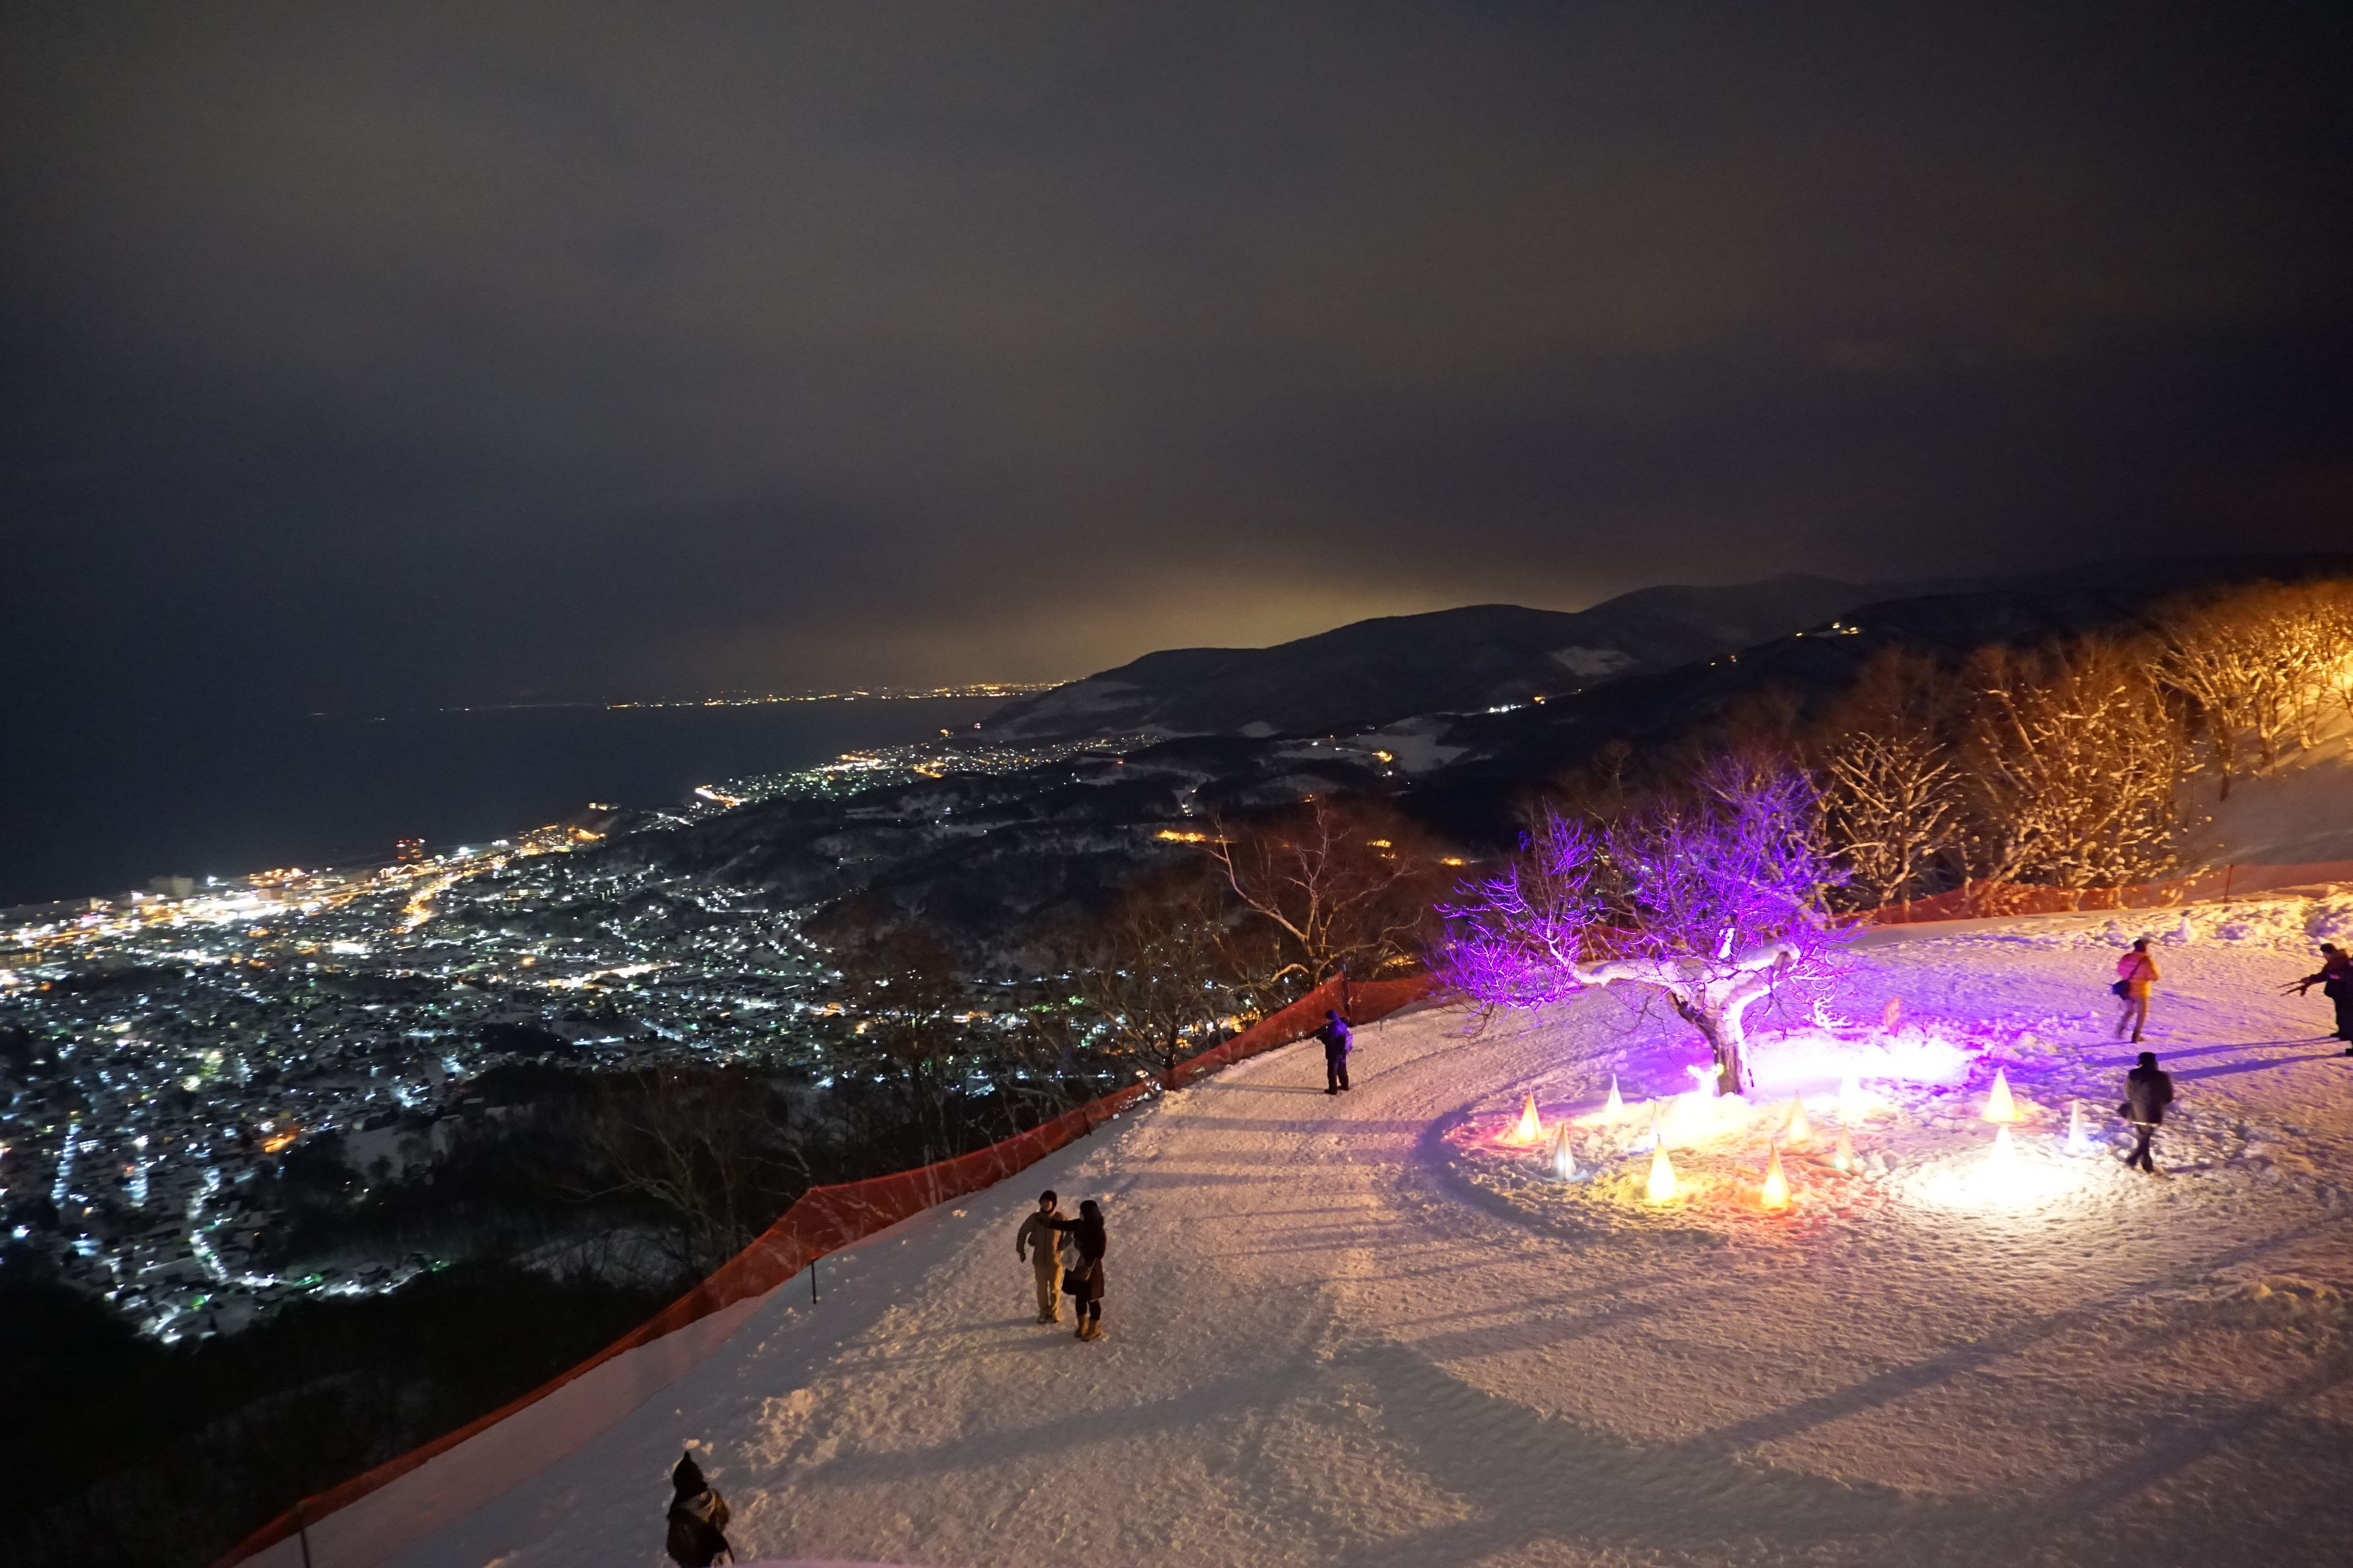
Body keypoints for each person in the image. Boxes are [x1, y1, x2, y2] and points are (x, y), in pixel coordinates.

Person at [1046, 1197, 1108, 1341]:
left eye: (1083, 1211)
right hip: (1076, 1265)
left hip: (1091, 1269)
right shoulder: (1081, 1224)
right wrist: (1047, 1222)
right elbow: (1065, 1225)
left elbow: (1100, 1252)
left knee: (1092, 1298)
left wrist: (1082, 1249)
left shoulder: (1098, 1230)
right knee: (1080, 1297)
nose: (1081, 1214)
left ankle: (1094, 1328)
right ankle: (1082, 1326)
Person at [665, 1450, 733, 1567]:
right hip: (720, 1557)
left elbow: (675, 1547)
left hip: (698, 1563)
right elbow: (724, 1517)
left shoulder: (680, 1515)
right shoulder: (716, 1498)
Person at [2288, 942, 2353, 1050]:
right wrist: (2310, 980)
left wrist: (2314, 979)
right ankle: (2343, 1032)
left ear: (2329, 953)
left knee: (2346, 1015)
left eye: (2324, 954)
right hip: (2340, 993)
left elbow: (2331, 976)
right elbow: (2325, 975)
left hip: (2345, 993)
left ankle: (2346, 1033)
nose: (2324, 956)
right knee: (2341, 1012)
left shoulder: (2340, 961)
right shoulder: (2336, 960)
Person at [2119, 1050, 2174, 1174]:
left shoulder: (2133, 1074)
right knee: (2144, 1140)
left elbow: (2128, 1094)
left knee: (2143, 1139)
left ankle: (2147, 1165)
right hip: (2154, 1114)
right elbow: (2169, 1097)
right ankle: (2132, 1160)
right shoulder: (2163, 1077)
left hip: (2136, 1113)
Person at [1014, 1189, 1065, 1323]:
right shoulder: (1035, 1218)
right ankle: (1044, 1311)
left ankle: (1054, 1312)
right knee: (1041, 1289)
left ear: (1054, 1203)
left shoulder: (1060, 1218)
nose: (1045, 1204)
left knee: (1055, 1289)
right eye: (1042, 1202)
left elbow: (1071, 1235)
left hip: (1055, 1261)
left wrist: (1063, 1248)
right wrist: (1021, 1250)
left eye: (1048, 1202)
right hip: (1039, 1261)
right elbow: (1023, 1232)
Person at [2113, 938, 2160, 1043]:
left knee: (2129, 1011)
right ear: (2145, 948)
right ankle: (2136, 1035)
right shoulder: (2146, 961)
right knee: (2142, 1013)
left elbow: (2120, 970)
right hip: (2141, 991)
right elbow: (2155, 977)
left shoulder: (2126, 957)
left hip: (2127, 989)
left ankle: (2120, 1028)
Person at [1318, 1008, 1354, 1095]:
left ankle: (1333, 1090)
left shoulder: (1333, 1028)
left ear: (1331, 1018)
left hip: (1334, 1053)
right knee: (1342, 1069)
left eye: (1327, 1019)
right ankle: (1345, 1085)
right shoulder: (1342, 1024)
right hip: (1342, 1051)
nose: (1326, 1020)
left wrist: (1321, 1037)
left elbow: (1328, 1040)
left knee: (1332, 1072)